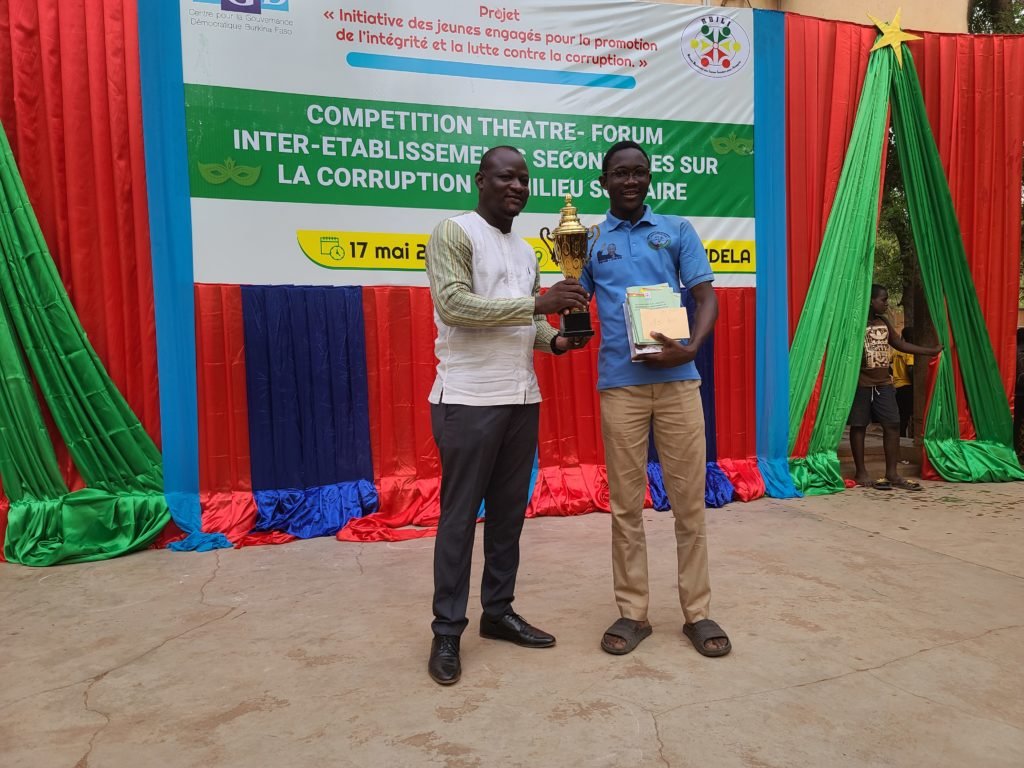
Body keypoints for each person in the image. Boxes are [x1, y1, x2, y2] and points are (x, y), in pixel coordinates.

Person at [423, 145, 590, 686]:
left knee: (508, 517)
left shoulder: (525, 250)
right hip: (468, 398)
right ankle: (447, 631)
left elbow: (527, 323)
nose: (517, 187)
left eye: (524, 179)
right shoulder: (454, 232)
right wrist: (539, 306)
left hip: (521, 398)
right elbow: (454, 305)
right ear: (481, 180)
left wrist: (556, 340)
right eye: (505, 177)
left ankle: (497, 612)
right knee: (459, 519)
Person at [580, 140, 730, 658]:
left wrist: (691, 346)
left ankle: (698, 613)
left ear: (649, 178)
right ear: (603, 181)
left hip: (678, 381)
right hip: (620, 385)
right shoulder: (589, 240)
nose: (630, 180)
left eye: (639, 172)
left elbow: (706, 296)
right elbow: (575, 299)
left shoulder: (677, 230)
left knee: (689, 502)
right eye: (620, 173)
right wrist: (567, 315)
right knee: (626, 505)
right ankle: (633, 612)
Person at [849, 286, 941, 491]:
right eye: (883, 300)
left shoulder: (883, 322)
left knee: (892, 424)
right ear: (871, 301)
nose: (886, 303)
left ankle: (892, 472)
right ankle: (861, 471)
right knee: (859, 425)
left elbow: (899, 344)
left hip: (883, 384)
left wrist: (929, 351)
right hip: (861, 384)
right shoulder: (856, 323)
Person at [891, 326, 914, 438]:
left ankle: (901, 437)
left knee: (901, 415)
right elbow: (910, 369)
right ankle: (904, 437)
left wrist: (894, 373)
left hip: (897, 386)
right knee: (908, 414)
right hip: (907, 385)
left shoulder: (897, 350)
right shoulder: (909, 350)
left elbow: (887, 364)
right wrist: (915, 384)